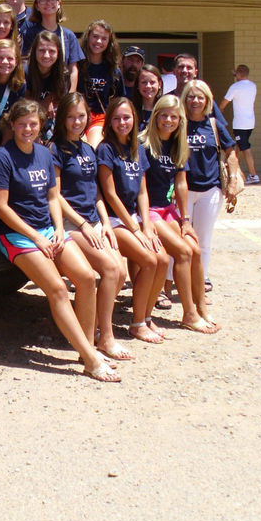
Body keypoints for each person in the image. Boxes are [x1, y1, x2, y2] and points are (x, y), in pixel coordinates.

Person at [0, 100, 120, 382]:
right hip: (16, 235)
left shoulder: (44, 153)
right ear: (12, 124)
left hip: (48, 229)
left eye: (33, 124)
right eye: (22, 124)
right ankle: (91, 358)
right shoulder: (2, 156)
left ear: (41, 125)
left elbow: (52, 196)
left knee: (86, 278)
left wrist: (59, 229)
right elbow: (0, 207)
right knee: (58, 288)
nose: (27, 129)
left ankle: (86, 349)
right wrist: (36, 237)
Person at [51, 94, 132, 361]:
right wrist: (84, 225)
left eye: (81, 116)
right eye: (71, 117)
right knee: (109, 269)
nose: (77, 122)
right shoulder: (56, 150)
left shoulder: (88, 149)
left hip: (94, 220)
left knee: (120, 272)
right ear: (62, 118)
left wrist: (105, 222)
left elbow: (96, 192)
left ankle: (91, 329)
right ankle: (104, 338)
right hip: (72, 223)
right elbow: (56, 196)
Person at [141, 95, 219, 333]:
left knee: (195, 249)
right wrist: (145, 222)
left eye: (174, 117)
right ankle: (189, 314)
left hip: (168, 209)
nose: (168, 120)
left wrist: (186, 220)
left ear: (180, 120)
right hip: (149, 210)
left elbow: (181, 184)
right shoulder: (144, 144)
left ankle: (201, 308)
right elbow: (139, 188)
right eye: (164, 115)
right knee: (183, 252)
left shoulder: (178, 145)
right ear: (156, 116)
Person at [97, 97, 170, 343]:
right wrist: (135, 230)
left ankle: (146, 317)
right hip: (114, 220)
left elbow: (142, 192)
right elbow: (110, 194)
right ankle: (137, 323)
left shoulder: (137, 148)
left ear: (134, 119)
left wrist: (146, 226)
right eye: (116, 118)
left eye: (126, 117)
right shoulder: (106, 149)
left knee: (162, 259)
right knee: (149, 260)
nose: (122, 123)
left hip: (135, 218)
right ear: (109, 121)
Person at [182, 79, 240, 289]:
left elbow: (231, 153)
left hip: (210, 190)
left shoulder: (214, 125)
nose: (195, 101)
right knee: (179, 239)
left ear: (207, 100)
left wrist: (232, 181)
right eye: (191, 96)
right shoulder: (178, 123)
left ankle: (201, 279)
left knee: (203, 240)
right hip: (183, 190)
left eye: (200, 97)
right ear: (185, 99)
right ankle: (171, 283)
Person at [20, 0, 82, 92]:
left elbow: (73, 69)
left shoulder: (68, 35)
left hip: (60, 94)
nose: (48, 3)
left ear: (59, 4)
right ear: (37, 6)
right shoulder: (29, 33)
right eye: (43, 0)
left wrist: (71, 95)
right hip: (35, 93)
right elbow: (24, 65)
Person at [78, 19, 125, 147]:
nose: (99, 41)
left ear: (109, 42)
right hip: (77, 116)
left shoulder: (113, 71)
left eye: (104, 38)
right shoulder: (76, 66)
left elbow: (120, 100)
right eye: (95, 37)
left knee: (92, 147)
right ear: (88, 37)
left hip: (99, 118)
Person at [24, 30, 67, 142]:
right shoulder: (24, 71)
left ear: (58, 53)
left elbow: (60, 100)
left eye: (52, 51)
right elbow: (20, 101)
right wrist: (42, 105)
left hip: (49, 121)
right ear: (34, 51)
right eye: (41, 50)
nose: (46, 55)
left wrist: (51, 102)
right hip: (27, 120)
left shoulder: (62, 74)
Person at [219, 64, 259, 184]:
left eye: (236, 74)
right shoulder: (253, 86)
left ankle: (253, 175)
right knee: (240, 147)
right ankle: (236, 171)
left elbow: (224, 102)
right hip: (250, 122)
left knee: (245, 147)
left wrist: (219, 111)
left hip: (240, 123)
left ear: (239, 74)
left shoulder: (235, 87)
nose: (235, 76)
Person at [132, 63, 163, 130]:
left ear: (159, 84)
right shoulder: (131, 111)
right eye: (144, 82)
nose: (148, 86)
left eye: (152, 82)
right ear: (137, 85)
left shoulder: (165, 110)